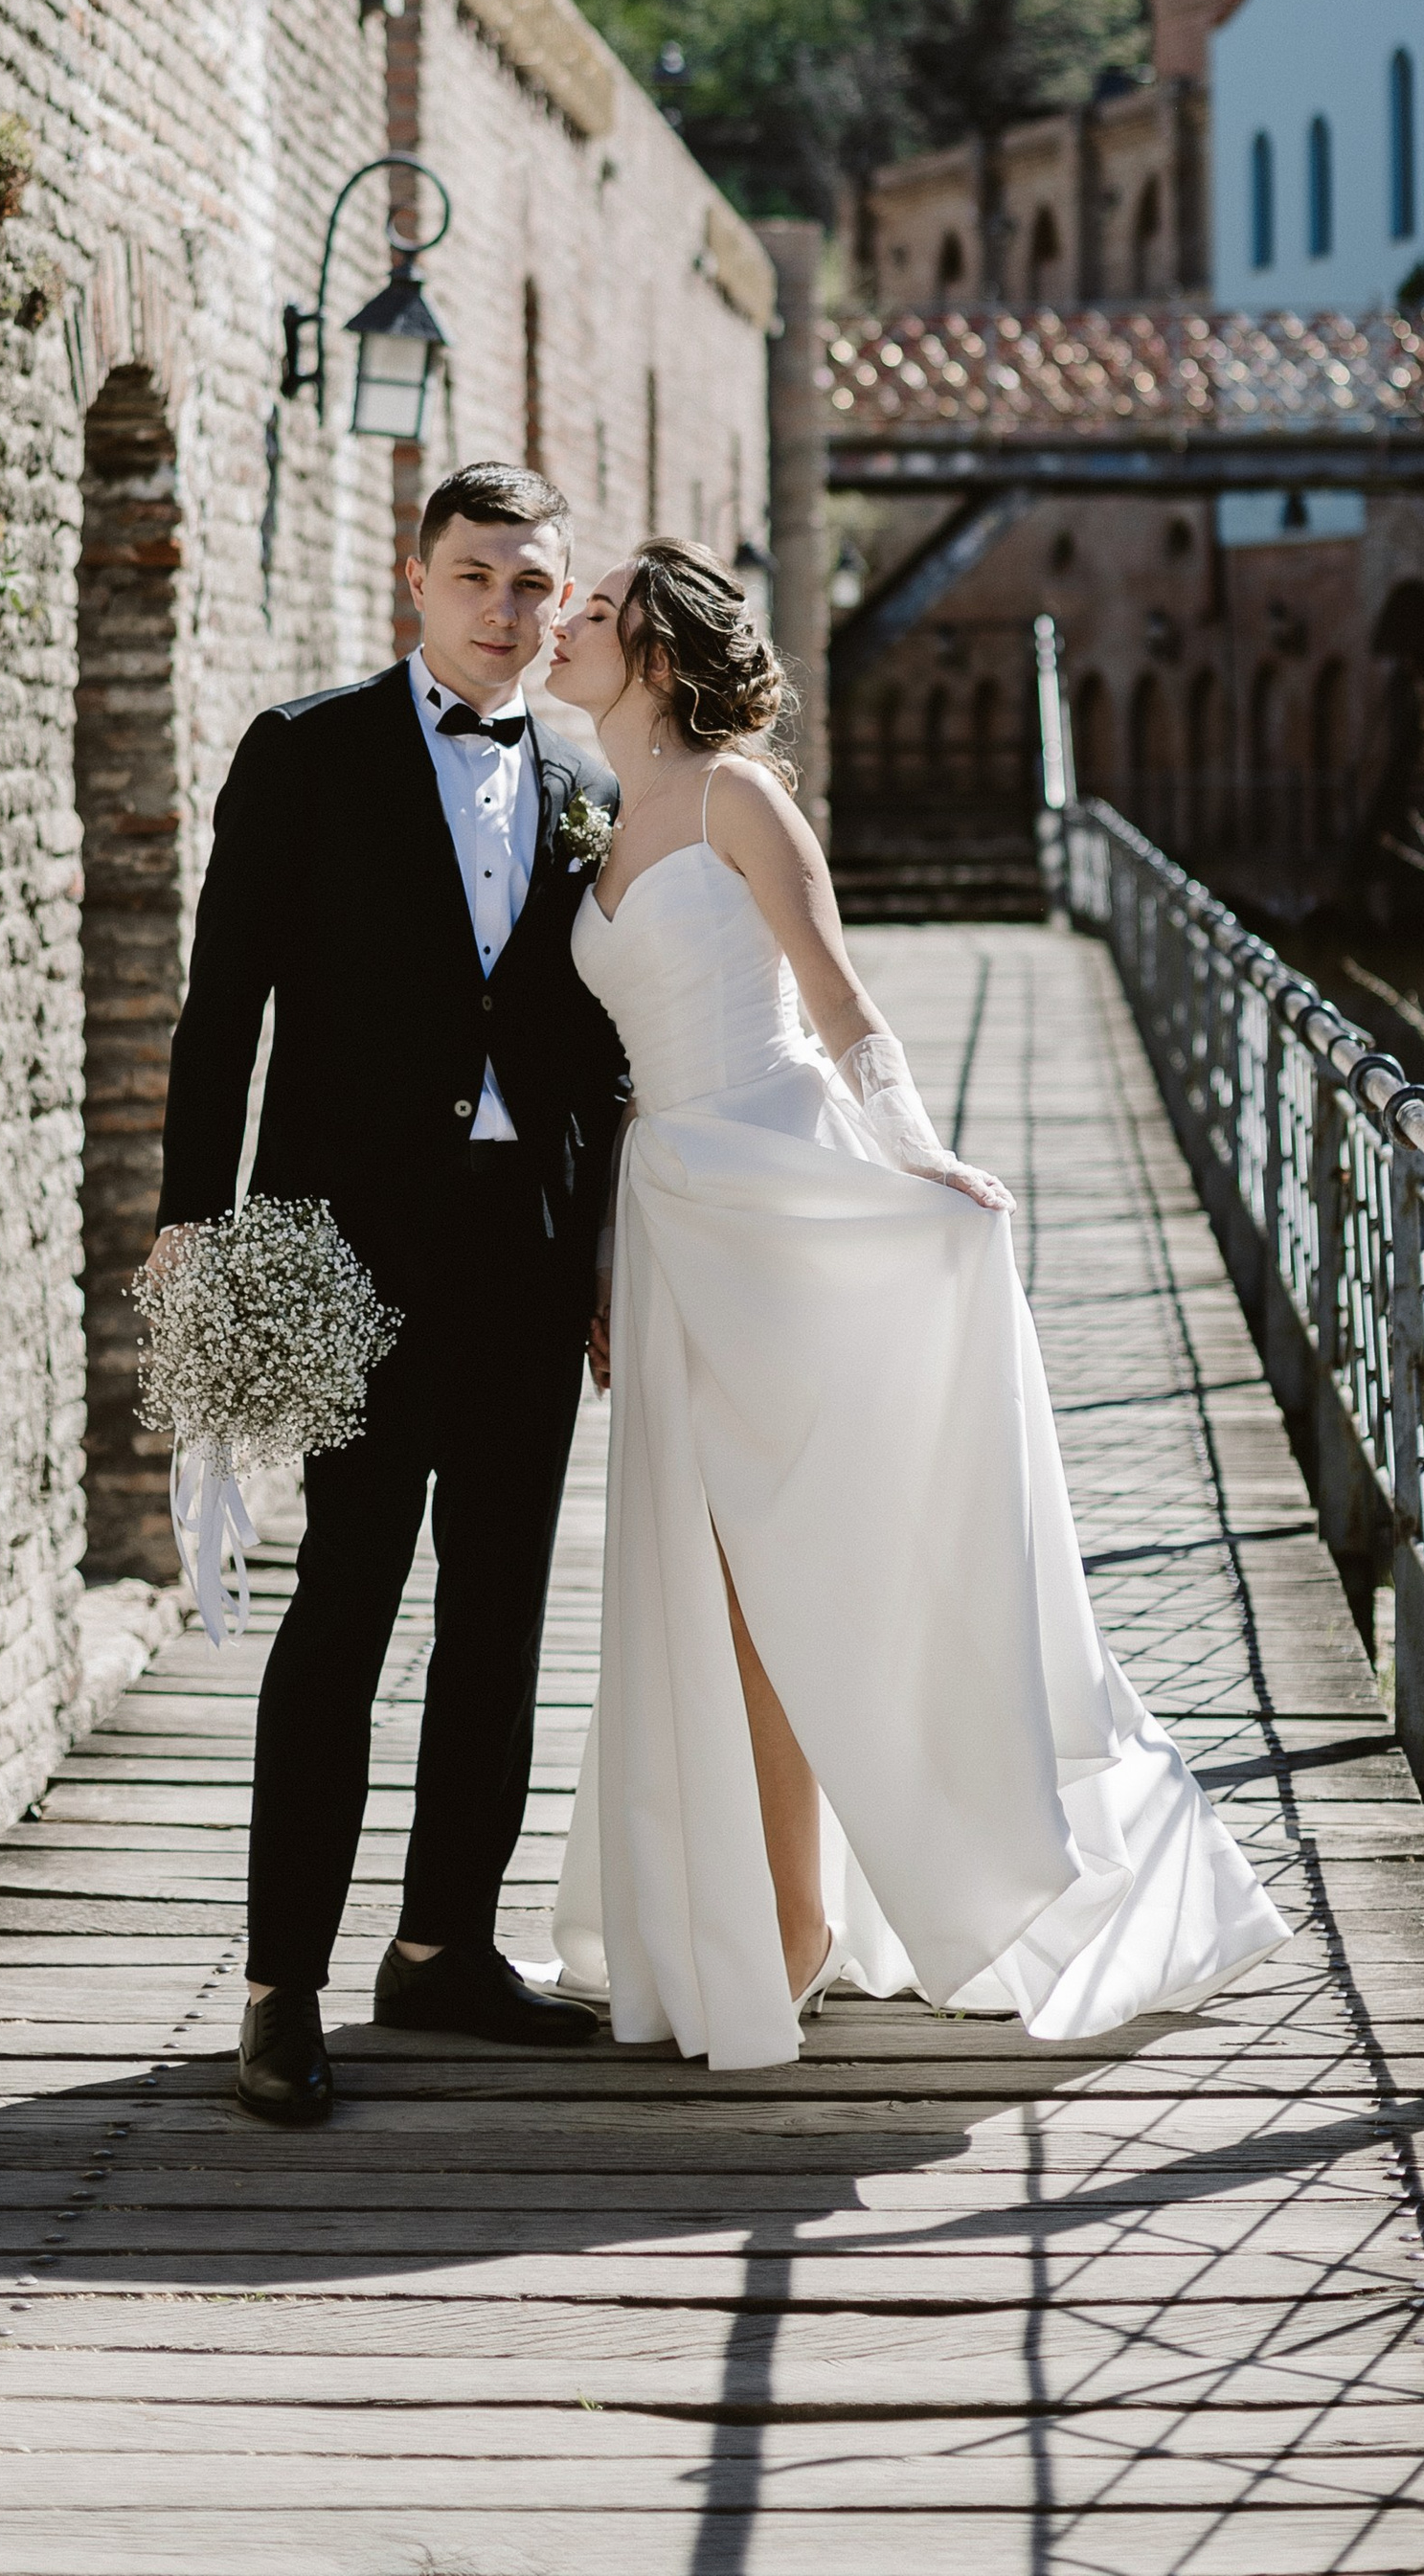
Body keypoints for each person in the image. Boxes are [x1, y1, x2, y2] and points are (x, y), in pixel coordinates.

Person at [545, 538, 1290, 2070]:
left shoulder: (742, 797)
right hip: (675, 1222)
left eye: (598, 610)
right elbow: (618, 1078)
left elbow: (835, 997)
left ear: (662, 657)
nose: (565, 623)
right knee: (719, 1584)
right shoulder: (603, 821)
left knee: (815, 1562)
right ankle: (776, 1916)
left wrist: (923, 1165)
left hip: (790, 1202)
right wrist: (606, 1271)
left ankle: (833, 1915)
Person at [153, 463, 628, 2126]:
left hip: (533, 1251)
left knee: (498, 1624)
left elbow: (603, 1054)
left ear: (566, 606)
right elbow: (223, 1010)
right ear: (412, 580)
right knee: (343, 1611)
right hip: (350, 1257)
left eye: (537, 585)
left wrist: (611, 1262)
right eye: (480, 575)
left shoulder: (583, 778)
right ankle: (281, 1991)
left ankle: (444, 1950)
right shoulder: (304, 753)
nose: (509, 608)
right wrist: (191, 1223)